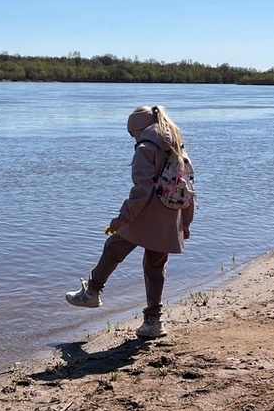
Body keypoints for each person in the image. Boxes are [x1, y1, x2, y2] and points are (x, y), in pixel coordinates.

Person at [65, 104, 194, 339]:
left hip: (145, 213)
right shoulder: (176, 144)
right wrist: (186, 222)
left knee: (113, 248)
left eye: (131, 134)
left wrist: (123, 217)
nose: (132, 138)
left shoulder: (146, 147)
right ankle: (154, 322)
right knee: (155, 268)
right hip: (169, 215)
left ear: (139, 129)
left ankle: (91, 293)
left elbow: (142, 188)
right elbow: (189, 187)